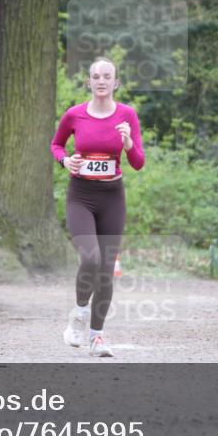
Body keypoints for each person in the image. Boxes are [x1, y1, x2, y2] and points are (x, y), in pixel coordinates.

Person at [50, 56, 145, 357]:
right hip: (81, 196)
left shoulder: (127, 115)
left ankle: (97, 337)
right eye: (95, 76)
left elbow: (139, 163)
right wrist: (65, 160)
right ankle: (78, 315)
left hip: (112, 197)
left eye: (107, 76)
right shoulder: (75, 115)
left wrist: (129, 144)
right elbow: (56, 145)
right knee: (90, 259)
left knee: (105, 269)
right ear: (88, 82)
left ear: (115, 83)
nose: (101, 81)